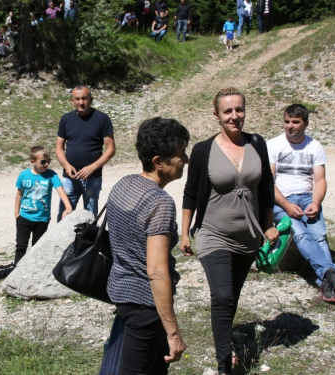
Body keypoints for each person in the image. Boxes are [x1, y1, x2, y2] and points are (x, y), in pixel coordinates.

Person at [180, 87, 279, 375]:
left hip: (248, 234)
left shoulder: (257, 144)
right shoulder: (202, 150)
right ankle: (225, 363)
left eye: (239, 110)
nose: (235, 116)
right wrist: (186, 232)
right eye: (228, 111)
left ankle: (227, 341)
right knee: (222, 296)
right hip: (213, 232)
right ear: (217, 116)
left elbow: (266, 187)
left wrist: (269, 223)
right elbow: (190, 192)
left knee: (231, 295)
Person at [105, 117, 188, 374]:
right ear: (158, 162)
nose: (185, 159)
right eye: (179, 154)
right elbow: (156, 271)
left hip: (120, 293)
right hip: (145, 307)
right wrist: (173, 332)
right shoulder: (160, 203)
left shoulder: (123, 184)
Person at [268, 104, 335, 303]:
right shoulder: (274, 145)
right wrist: (285, 205)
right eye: (286, 121)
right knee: (300, 234)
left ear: (306, 124)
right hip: (282, 200)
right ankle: (332, 276)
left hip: (308, 198)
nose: (289, 126)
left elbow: (320, 181)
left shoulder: (314, 146)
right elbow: (269, 182)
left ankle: (328, 285)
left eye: (295, 122)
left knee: (318, 236)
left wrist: (316, 202)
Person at [55, 86, 116, 220]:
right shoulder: (66, 119)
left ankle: (88, 241)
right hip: (70, 177)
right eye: (77, 99)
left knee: (90, 217)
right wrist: (66, 165)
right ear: (72, 101)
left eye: (84, 98)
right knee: (64, 216)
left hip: (92, 177)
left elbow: (111, 149)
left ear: (91, 99)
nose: (81, 102)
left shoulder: (102, 119)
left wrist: (92, 168)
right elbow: (59, 147)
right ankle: (65, 242)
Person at [14, 146, 72, 265]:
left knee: (37, 248)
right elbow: (19, 194)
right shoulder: (24, 175)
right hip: (24, 218)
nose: (46, 164)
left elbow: (60, 190)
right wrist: (16, 213)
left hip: (42, 219)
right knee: (21, 247)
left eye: (48, 161)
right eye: (43, 162)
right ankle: (16, 272)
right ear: (33, 162)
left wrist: (68, 207)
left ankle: (34, 270)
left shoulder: (51, 175)